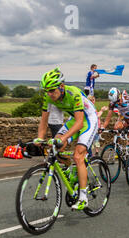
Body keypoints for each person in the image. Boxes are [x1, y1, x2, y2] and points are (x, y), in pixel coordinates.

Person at [36, 67, 98, 210]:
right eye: (47, 91)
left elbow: (80, 123)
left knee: (78, 155)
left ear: (61, 86)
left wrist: (63, 138)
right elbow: (43, 121)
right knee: (55, 147)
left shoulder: (73, 93)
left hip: (89, 119)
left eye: (52, 90)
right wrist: (39, 139)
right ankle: (69, 168)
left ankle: (83, 197)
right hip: (74, 119)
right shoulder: (48, 97)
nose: (49, 94)